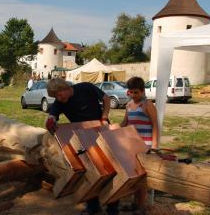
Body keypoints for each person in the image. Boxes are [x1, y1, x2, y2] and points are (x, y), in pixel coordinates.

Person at [45, 78, 119, 215]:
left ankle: (112, 208)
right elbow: (52, 115)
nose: (59, 99)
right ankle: (93, 206)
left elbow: (106, 98)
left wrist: (104, 117)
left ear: (65, 88)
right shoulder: (59, 101)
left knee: (109, 170)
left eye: (59, 95)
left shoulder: (86, 87)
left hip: (100, 132)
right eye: (55, 97)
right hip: (81, 138)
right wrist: (50, 120)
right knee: (88, 172)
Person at [120, 76, 159, 214]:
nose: (133, 95)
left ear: (142, 91)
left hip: (145, 146)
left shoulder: (148, 105)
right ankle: (135, 204)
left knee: (142, 177)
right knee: (134, 176)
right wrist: (113, 131)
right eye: (131, 92)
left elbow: (155, 125)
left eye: (136, 92)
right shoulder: (129, 105)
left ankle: (141, 207)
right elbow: (125, 123)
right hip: (132, 145)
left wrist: (154, 146)